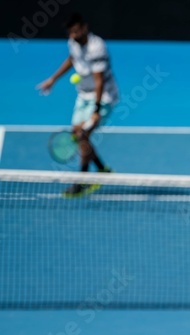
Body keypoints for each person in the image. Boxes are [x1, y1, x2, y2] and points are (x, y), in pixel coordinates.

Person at [36, 13, 119, 197]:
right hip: (83, 94)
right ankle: (102, 170)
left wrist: (96, 111)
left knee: (83, 135)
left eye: (76, 31)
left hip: (103, 96)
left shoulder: (97, 47)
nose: (73, 36)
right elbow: (72, 59)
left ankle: (81, 182)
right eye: (70, 33)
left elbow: (99, 81)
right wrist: (53, 80)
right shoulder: (73, 42)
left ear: (85, 27)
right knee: (79, 135)